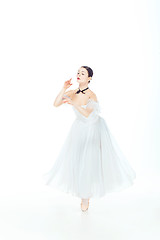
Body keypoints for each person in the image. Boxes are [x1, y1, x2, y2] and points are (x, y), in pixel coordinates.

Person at [42, 66, 136, 212]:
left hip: (93, 128)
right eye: (78, 72)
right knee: (78, 160)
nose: (79, 75)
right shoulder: (73, 92)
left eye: (83, 73)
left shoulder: (92, 95)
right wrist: (63, 88)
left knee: (89, 161)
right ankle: (83, 194)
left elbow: (87, 113)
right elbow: (56, 104)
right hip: (79, 129)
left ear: (89, 78)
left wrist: (74, 103)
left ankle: (85, 198)